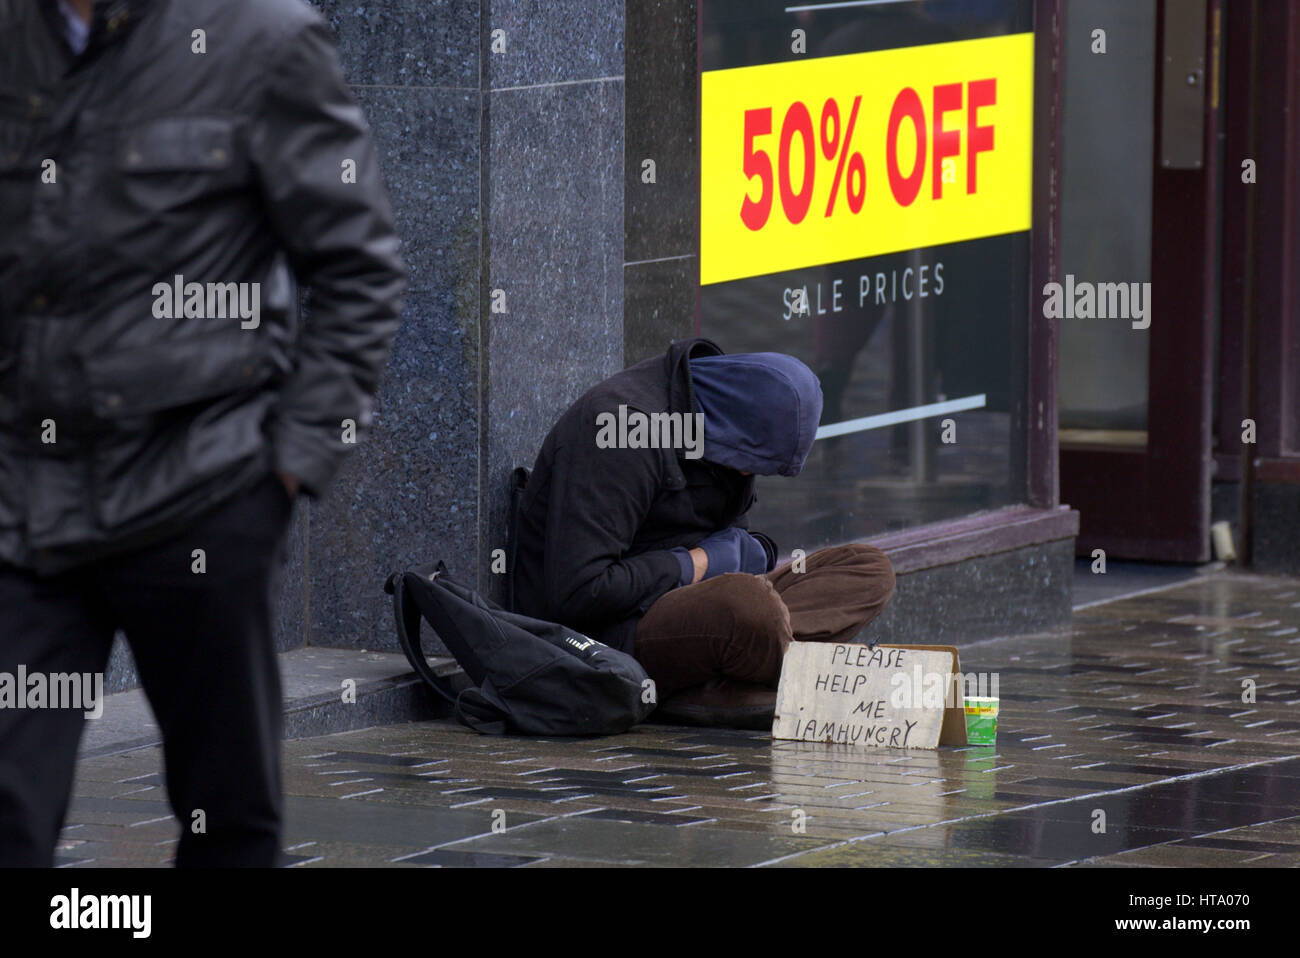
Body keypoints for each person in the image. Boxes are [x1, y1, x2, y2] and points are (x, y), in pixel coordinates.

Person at [0, 0, 406, 866]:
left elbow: (359, 267)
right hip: (25, 498)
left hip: (202, 491)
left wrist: (287, 471)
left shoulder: (259, 36)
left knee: (226, 815)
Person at [512, 338, 896, 727]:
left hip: (705, 604)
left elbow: (738, 544)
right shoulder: (620, 428)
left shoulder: (722, 422)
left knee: (869, 569)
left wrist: (752, 552)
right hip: (611, 630)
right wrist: (696, 563)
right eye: (749, 464)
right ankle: (781, 674)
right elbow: (578, 592)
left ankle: (730, 679)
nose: (748, 475)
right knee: (747, 607)